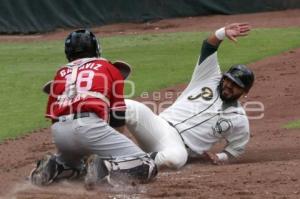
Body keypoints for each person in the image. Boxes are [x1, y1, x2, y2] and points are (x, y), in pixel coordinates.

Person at [30, 29, 157, 189]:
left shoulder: (61, 72)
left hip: (59, 133)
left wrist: (69, 148)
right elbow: (117, 115)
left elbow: (53, 116)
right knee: (147, 165)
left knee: (80, 167)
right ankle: (104, 168)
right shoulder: (108, 67)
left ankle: (57, 165)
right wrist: (111, 150)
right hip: (89, 127)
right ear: (96, 48)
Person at [125, 23, 254, 169]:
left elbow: (236, 148)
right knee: (127, 106)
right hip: (158, 125)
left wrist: (219, 156)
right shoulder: (209, 77)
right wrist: (222, 33)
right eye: (228, 80)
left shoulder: (239, 119)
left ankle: (126, 162)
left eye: (236, 85)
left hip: (177, 146)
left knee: (174, 160)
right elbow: (208, 47)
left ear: (245, 92)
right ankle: (98, 145)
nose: (229, 86)